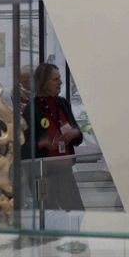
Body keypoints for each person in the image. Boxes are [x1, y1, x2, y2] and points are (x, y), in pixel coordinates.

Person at [24, 62, 85, 210]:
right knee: (48, 216)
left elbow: (78, 137)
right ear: (44, 83)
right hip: (43, 174)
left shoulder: (63, 104)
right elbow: (24, 147)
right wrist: (42, 143)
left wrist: (75, 133)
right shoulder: (31, 110)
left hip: (65, 172)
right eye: (56, 79)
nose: (61, 82)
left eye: (60, 78)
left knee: (77, 214)